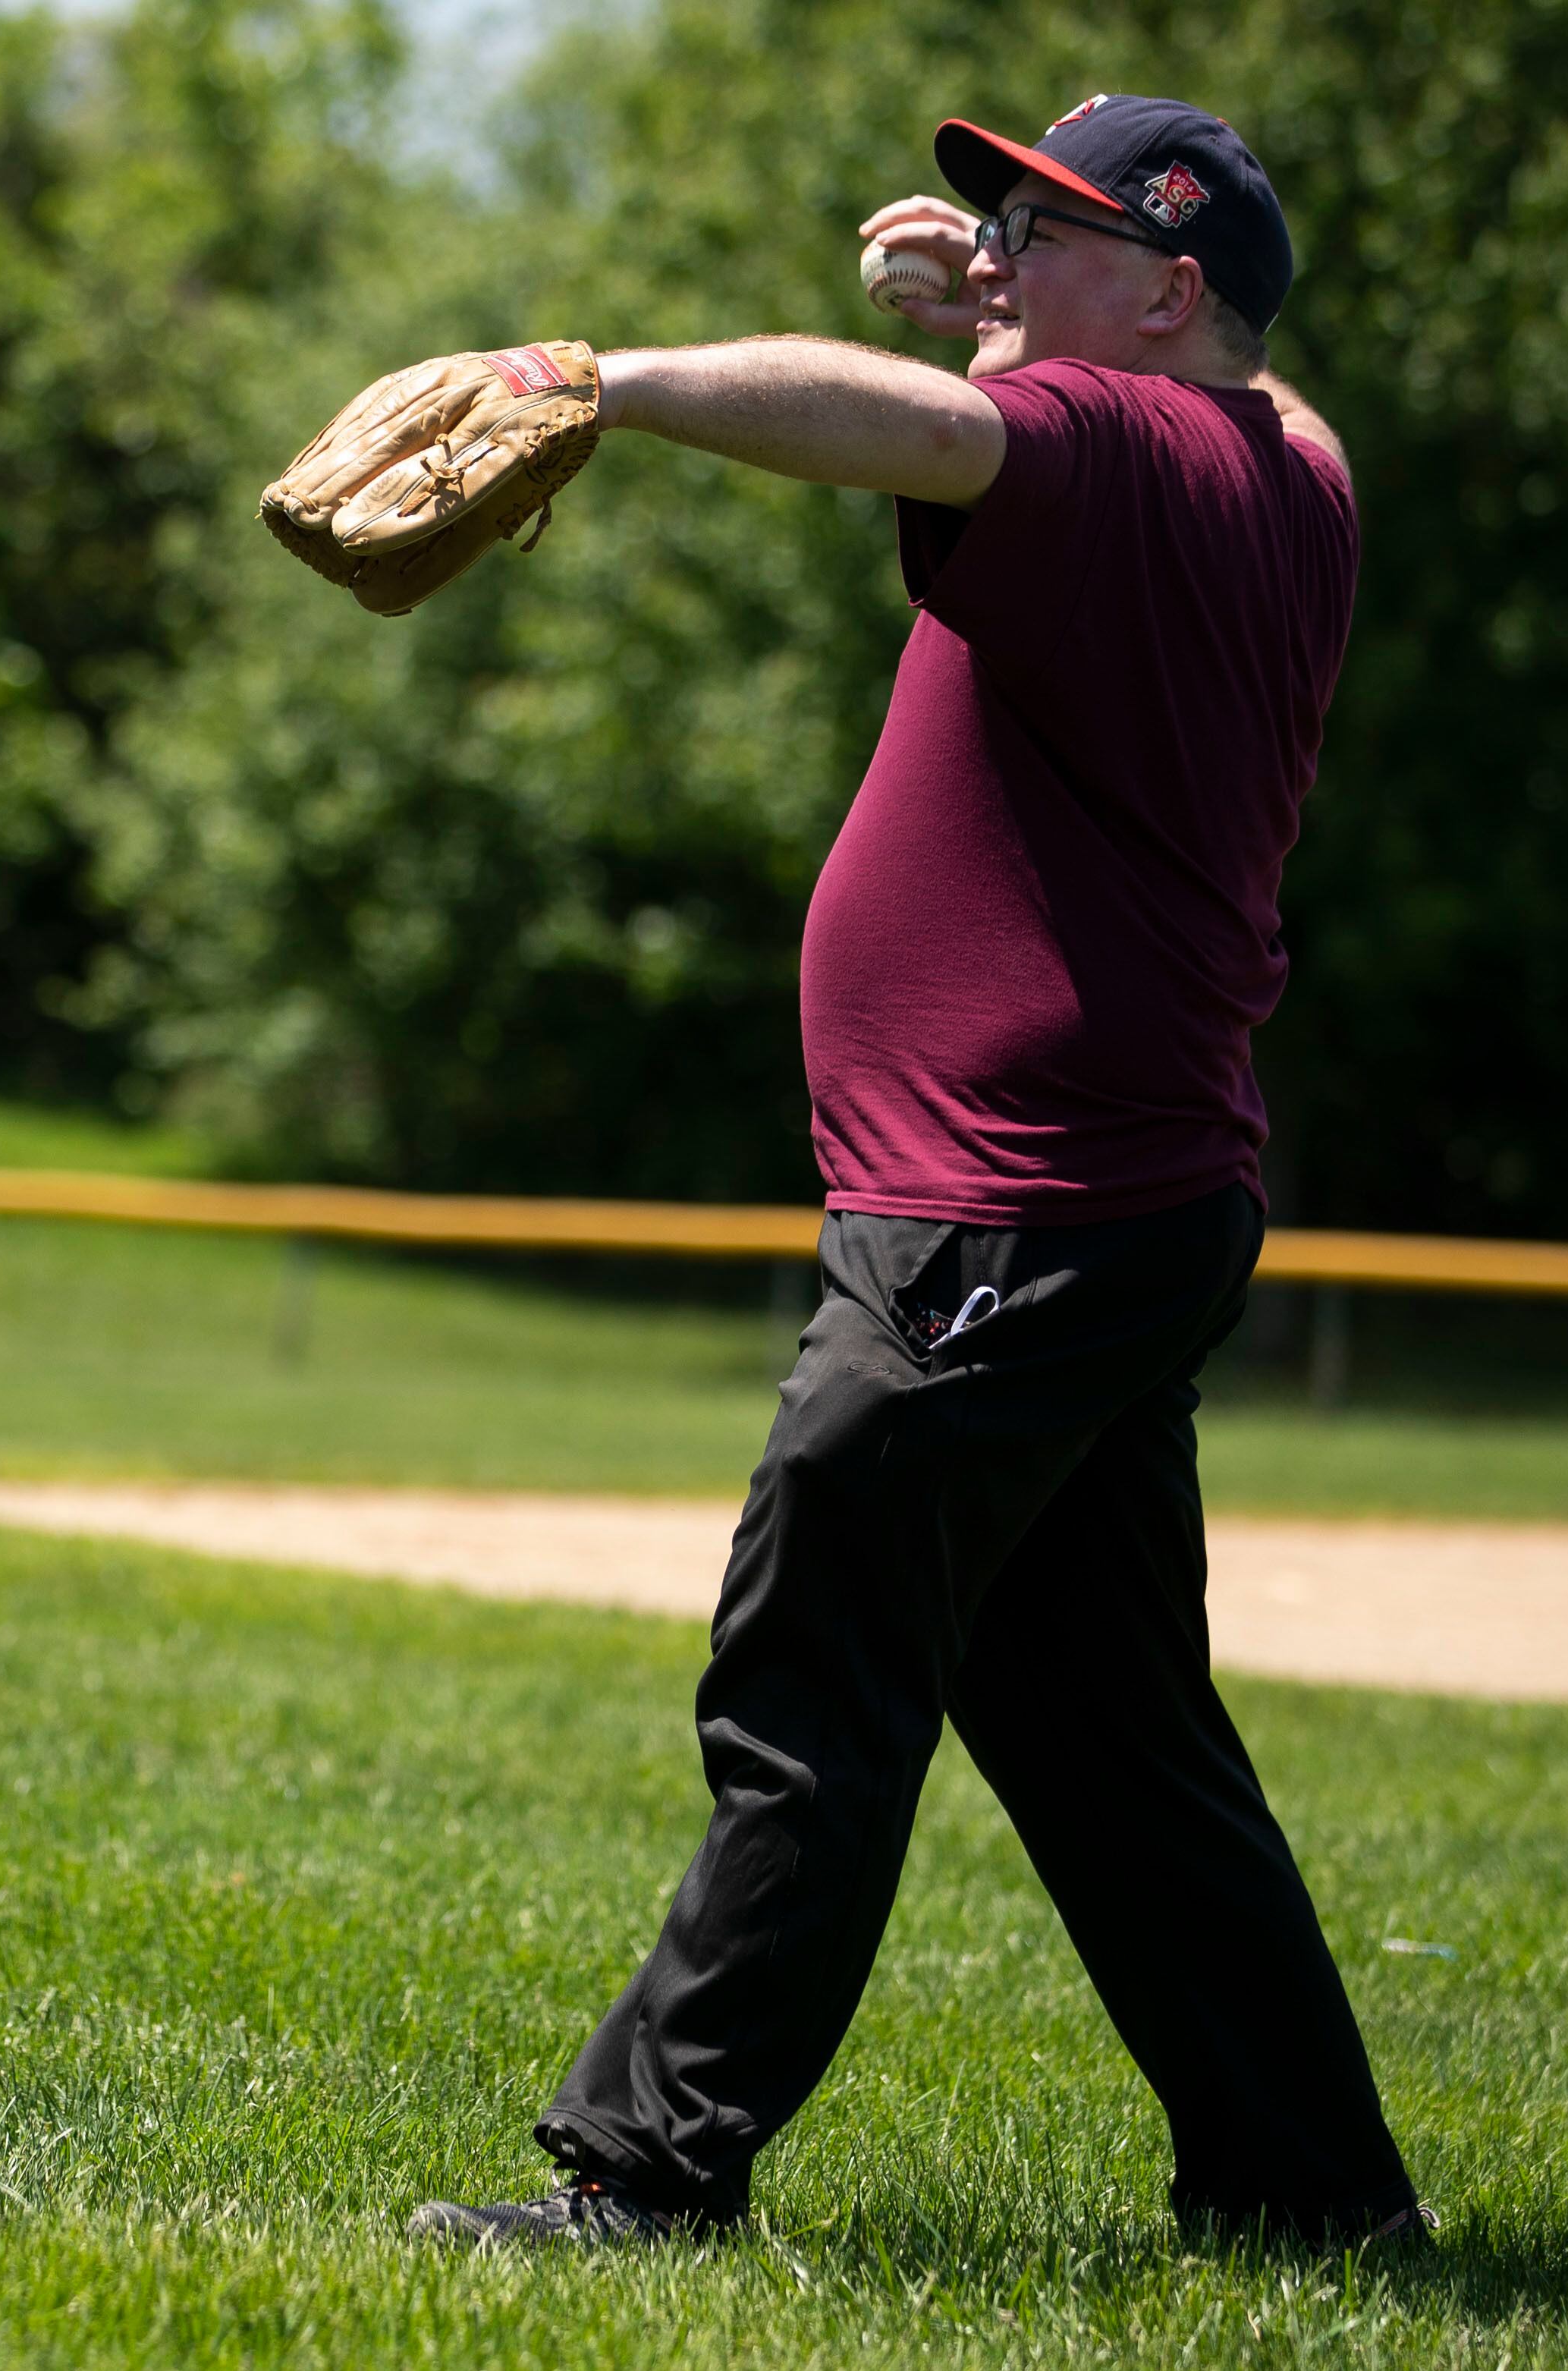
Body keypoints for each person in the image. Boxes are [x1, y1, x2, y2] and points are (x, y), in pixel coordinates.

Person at [410, 96, 1426, 2249]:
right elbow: (1186, 383)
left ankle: (644, 2180)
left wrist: (586, 382)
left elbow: (900, 430)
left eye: (1043, 228)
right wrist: (1016, 308)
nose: (989, 248)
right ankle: (1309, 2200)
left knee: (811, 1681)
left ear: (1166, 300)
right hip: (1109, 1204)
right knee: (1113, 1750)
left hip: (1003, 1217)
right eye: (990, 210)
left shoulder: (1119, 449)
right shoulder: (1286, 474)